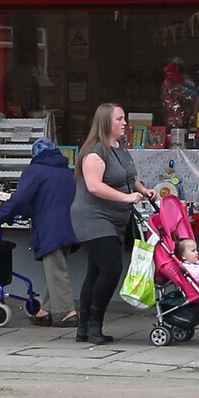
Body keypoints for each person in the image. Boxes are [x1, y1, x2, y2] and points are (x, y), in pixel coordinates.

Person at [69, 102, 154, 344]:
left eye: (124, 118)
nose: (124, 123)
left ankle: (84, 328)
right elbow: (94, 186)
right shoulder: (95, 153)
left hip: (115, 219)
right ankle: (95, 325)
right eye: (119, 119)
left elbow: (127, 177)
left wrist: (143, 190)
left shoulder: (120, 148)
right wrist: (126, 198)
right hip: (92, 218)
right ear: (106, 122)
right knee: (111, 268)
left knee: (96, 271)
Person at [0, 136, 79, 328]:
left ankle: (67, 312)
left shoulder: (35, 171)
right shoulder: (67, 171)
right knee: (54, 271)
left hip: (50, 228)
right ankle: (45, 312)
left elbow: (20, 200)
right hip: (69, 226)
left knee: (56, 272)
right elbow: (47, 199)